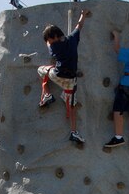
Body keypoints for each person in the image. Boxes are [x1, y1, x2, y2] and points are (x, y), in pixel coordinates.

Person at [37, 9, 90, 145]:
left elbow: (49, 44)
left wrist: (48, 41)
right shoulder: (72, 40)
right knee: (72, 106)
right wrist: (83, 15)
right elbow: (79, 26)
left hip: (58, 75)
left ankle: (47, 94)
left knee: (41, 70)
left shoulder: (54, 47)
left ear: (51, 38)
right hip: (71, 81)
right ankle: (73, 132)